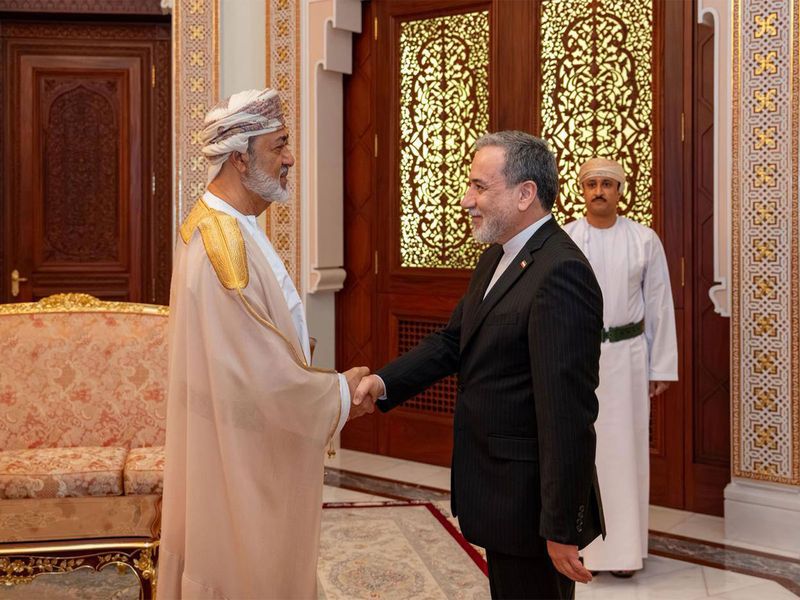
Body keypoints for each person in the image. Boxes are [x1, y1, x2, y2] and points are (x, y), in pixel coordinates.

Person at [356, 131, 605, 600]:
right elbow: (455, 341)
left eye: (480, 187)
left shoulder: (560, 271)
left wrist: (560, 528)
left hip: (530, 508)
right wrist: (383, 382)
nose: (467, 200)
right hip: (500, 496)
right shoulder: (500, 255)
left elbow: (567, 416)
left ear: (525, 193)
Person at [158, 88, 373, 599]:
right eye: (279, 146)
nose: (290, 158)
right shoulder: (222, 244)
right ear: (239, 157)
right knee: (247, 568)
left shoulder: (225, 223)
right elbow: (259, 373)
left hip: (241, 436)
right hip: (243, 451)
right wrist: (340, 394)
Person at [564, 157, 678, 577]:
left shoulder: (643, 240)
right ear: (582, 190)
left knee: (626, 452)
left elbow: (660, 304)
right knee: (582, 451)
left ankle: (625, 552)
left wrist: (660, 366)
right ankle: (583, 550)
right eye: (592, 183)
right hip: (579, 359)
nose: (599, 191)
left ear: (620, 191)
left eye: (607, 184)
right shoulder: (566, 238)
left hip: (629, 358)